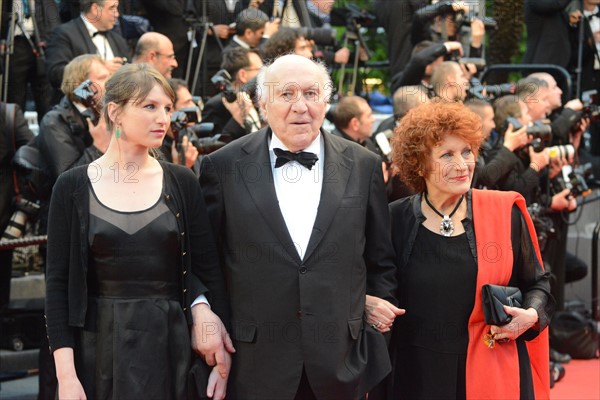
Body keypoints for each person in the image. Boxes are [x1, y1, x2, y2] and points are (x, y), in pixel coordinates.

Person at [199, 54, 400, 399]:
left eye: (311, 93)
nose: (300, 106)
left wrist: (371, 342)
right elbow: (208, 264)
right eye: (286, 94)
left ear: (326, 100)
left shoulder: (364, 165)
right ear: (263, 103)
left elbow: (381, 262)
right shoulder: (222, 166)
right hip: (254, 365)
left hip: (342, 365)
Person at [45, 63, 232, 400]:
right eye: (149, 107)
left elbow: (208, 273)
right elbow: (58, 287)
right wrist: (67, 378)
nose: (163, 118)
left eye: (167, 108)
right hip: (97, 351)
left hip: (172, 348)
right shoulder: (71, 187)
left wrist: (218, 354)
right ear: (114, 112)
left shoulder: (182, 181)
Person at [384, 101, 555, 399]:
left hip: (493, 367)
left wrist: (531, 314)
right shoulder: (393, 220)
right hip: (416, 374)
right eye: (447, 155)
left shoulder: (505, 211)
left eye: (467, 152)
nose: (463, 165)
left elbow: (538, 283)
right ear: (420, 163)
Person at [44, 0, 129, 98]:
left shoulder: (118, 39)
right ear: (95, 9)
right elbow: (55, 74)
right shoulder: (64, 34)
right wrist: (100, 67)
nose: (117, 14)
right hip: (79, 106)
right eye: (112, 8)